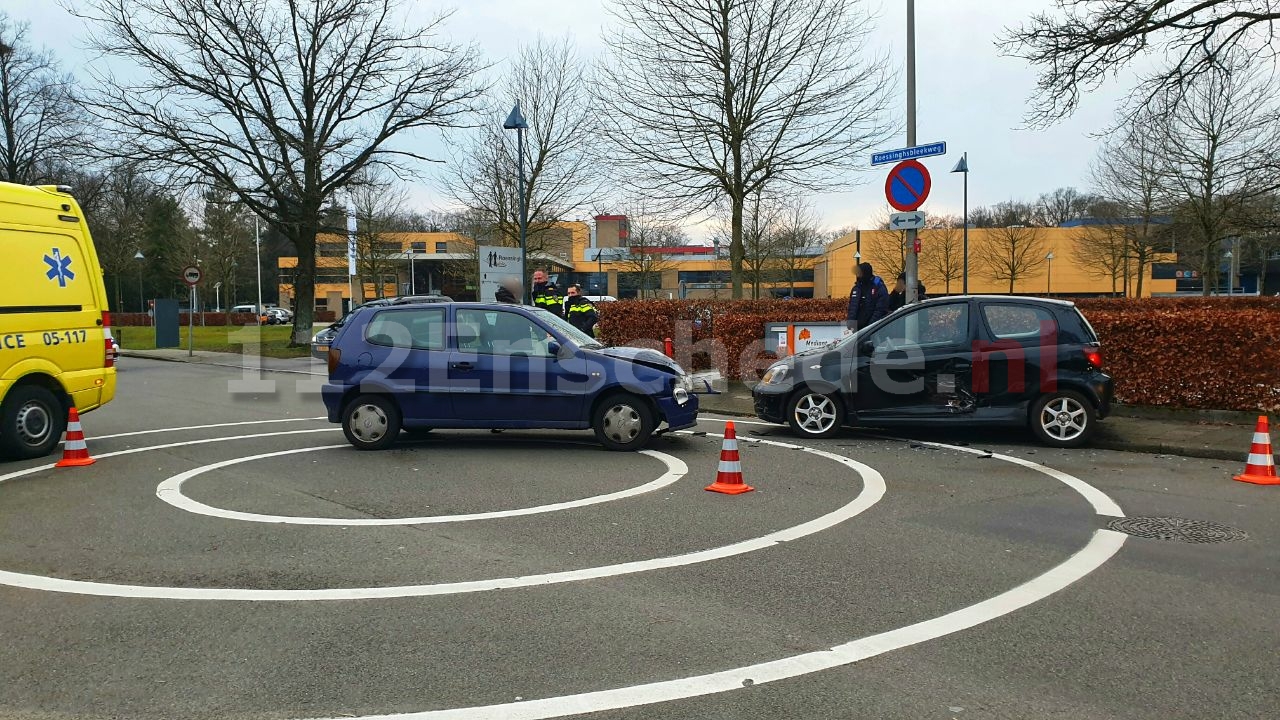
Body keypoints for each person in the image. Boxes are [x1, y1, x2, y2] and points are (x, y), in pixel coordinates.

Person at [845, 262, 890, 331]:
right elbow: (852, 307)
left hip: (873, 329)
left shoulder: (878, 287)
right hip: (857, 330)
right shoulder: (857, 288)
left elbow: (880, 309)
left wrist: (870, 326)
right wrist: (850, 323)